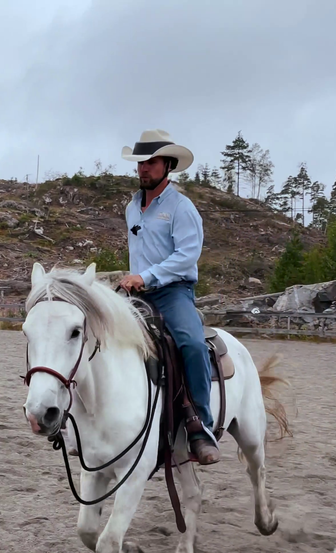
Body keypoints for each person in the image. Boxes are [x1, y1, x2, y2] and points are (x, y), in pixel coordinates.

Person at [117, 129, 219, 465]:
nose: (143, 168)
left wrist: (144, 276)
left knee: (190, 343)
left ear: (168, 165)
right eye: (140, 163)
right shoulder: (133, 206)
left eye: (151, 162)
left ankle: (200, 426)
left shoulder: (181, 207)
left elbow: (186, 256)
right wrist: (133, 280)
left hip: (173, 292)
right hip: (139, 294)